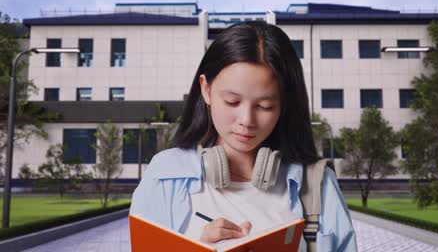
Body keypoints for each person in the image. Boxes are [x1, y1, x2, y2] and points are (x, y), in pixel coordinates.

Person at [130, 21, 357, 251]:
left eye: (265, 106)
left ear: (284, 104)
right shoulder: (164, 175)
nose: (246, 120)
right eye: (232, 101)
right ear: (206, 90)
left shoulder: (317, 184)